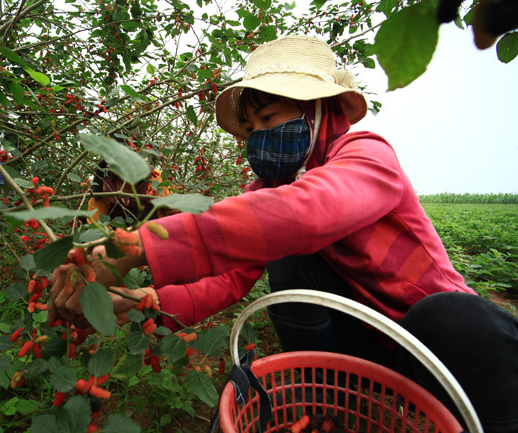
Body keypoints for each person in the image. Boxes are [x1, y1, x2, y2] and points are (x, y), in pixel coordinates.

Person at [49, 35, 518, 432]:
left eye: (269, 119)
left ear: (317, 109)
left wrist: (134, 244)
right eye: (250, 128)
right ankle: (334, 408)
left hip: (436, 340)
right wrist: (135, 302)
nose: (257, 137)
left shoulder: (367, 154)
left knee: (455, 316)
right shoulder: (266, 192)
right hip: (366, 348)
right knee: (287, 255)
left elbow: (307, 213)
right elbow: (228, 279)